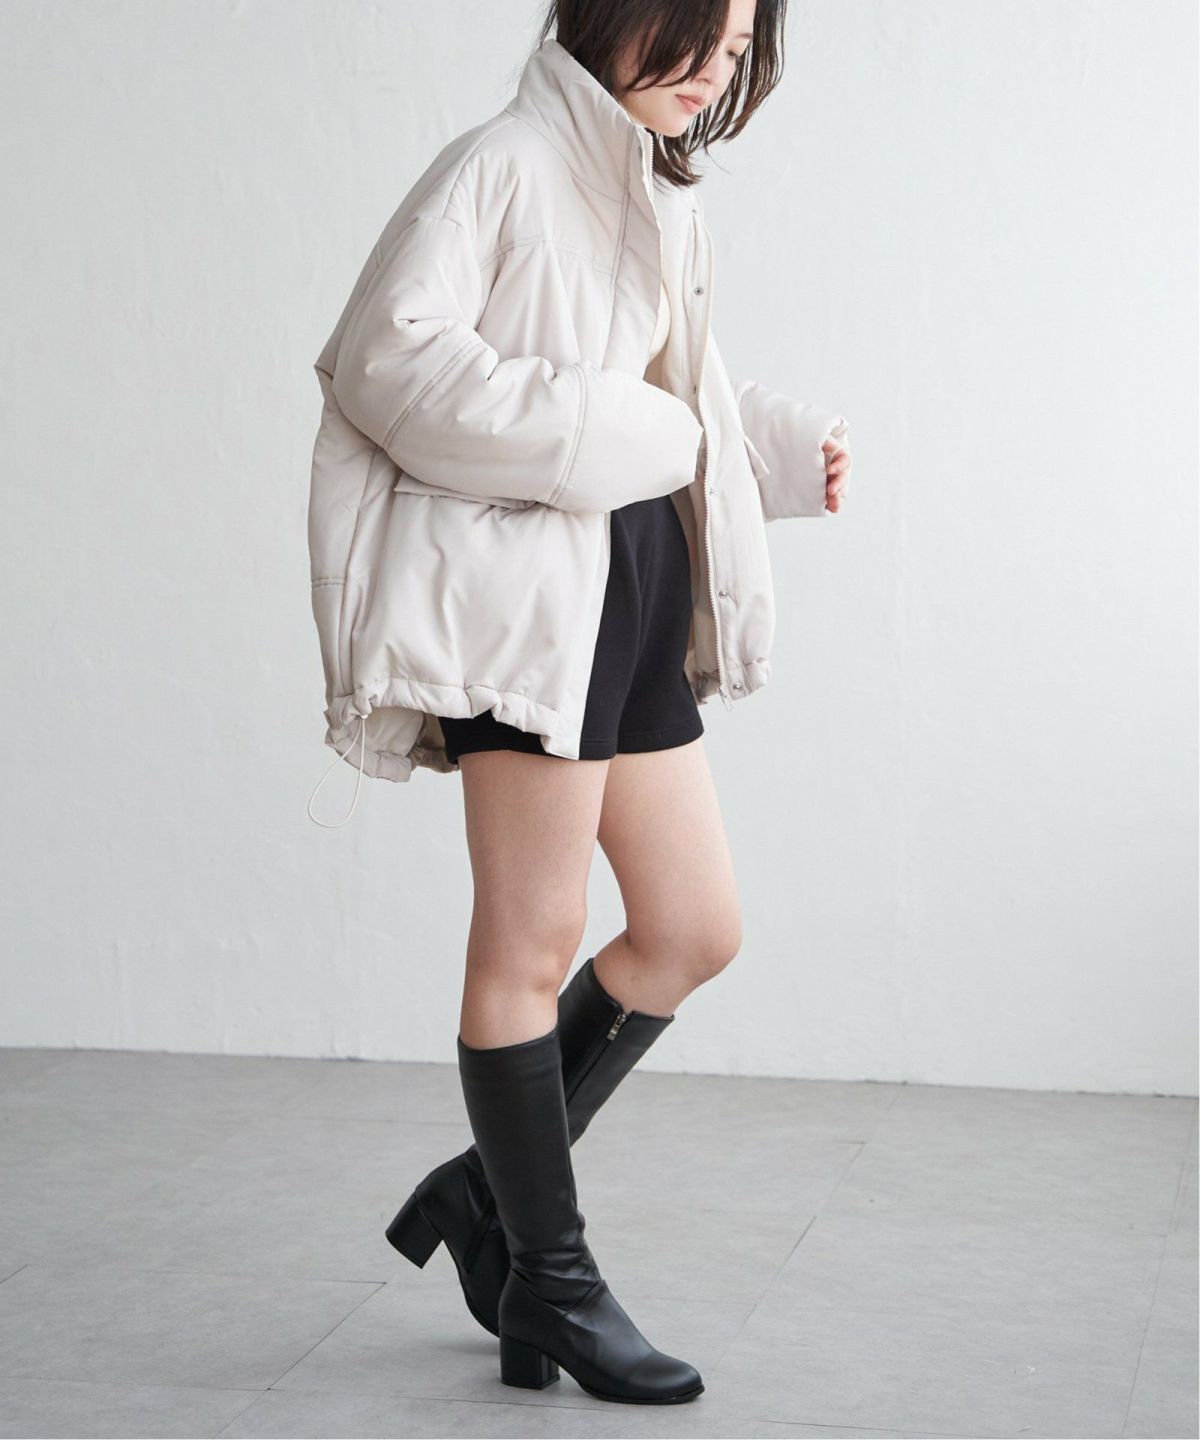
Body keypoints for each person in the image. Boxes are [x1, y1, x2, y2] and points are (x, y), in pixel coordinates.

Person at [307, 0, 852, 1407]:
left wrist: (776, 453)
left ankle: (484, 1197)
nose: (718, 74)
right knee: (530, 939)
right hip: (526, 613)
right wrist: (619, 431)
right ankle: (549, 1279)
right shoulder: (498, 165)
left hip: (635, 596)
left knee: (693, 928)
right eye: (705, 40)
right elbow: (385, 359)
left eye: (738, 53)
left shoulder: (653, 185)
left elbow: (675, 392)